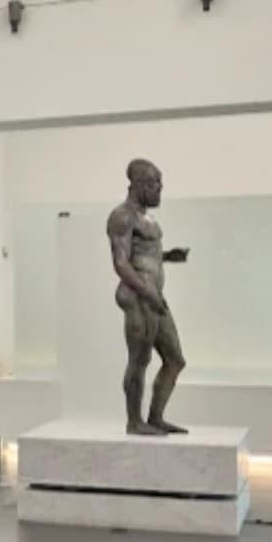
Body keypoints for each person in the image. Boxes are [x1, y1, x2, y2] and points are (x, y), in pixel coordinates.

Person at [106, 159, 189, 436]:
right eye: (155, 184)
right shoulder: (122, 216)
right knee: (139, 360)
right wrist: (147, 291)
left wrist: (167, 256)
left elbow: (143, 255)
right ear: (139, 184)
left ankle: (155, 417)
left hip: (153, 297)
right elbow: (121, 263)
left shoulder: (147, 218)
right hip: (138, 296)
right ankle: (134, 421)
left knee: (175, 360)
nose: (160, 189)